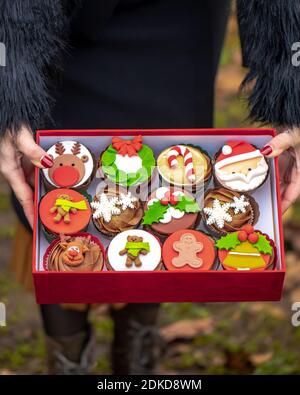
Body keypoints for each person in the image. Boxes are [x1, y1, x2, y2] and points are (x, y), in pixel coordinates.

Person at [0, 0, 299, 374]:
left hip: (179, 24)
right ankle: (67, 356)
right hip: (46, 16)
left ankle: (136, 353)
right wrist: (10, 88)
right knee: (56, 185)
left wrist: (292, 86)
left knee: (171, 182)